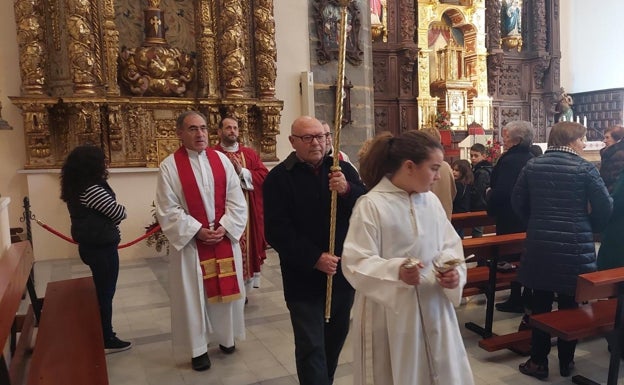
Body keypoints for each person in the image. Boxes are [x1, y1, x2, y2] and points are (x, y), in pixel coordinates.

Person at [342, 130, 474, 385]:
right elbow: (355, 261)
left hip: (435, 305)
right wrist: (395, 271)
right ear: (409, 166)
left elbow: (450, 245)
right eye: (434, 168)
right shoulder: (371, 205)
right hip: (391, 312)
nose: (438, 177)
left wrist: (452, 273)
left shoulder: (431, 203)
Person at [263, 116, 366, 385]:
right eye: (307, 137)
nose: (316, 142)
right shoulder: (279, 178)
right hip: (303, 278)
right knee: (311, 346)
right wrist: (314, 258)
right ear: (292, 141)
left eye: (321, 136)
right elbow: (276, 231)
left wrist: (346, 190)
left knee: (334, 341)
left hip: (341, 276)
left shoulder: (342, 169)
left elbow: (365, 208)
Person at [513, 121, 612, 379]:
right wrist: (591, 227)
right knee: (571, 304)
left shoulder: (532, 166)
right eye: (582, 139)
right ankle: (567, 362)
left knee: (541, 303)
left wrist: (534, 224)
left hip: (540, 244)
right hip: (576, 243)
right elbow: (605, 207)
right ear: (570, 141)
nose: (584, 144)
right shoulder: (584, 168)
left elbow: (517, 201)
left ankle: (538, 362)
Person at [155, 111, 248, 371]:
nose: (200, 134)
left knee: (227, 293)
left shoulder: (221, 160)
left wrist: (224, 227)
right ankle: (198, 349)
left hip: (222, 239)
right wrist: (197, 230)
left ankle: (226, 338)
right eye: (193, 129)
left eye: (204, 128)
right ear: (180, 133)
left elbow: (236, 200)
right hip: (193, 246)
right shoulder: (170, 166)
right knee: (193, 296)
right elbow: (168, 208)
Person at [60, 145, 132, 354]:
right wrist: (122, 210)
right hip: (101, 248)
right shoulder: (92, 189)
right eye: (102, 160)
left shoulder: (77, 186)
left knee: (102, 291)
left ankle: (101, 331)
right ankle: (106, 337)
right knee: (105, 293)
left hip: (91, 246)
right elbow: (118, 213)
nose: (105, 163)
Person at [213, 116, 268, 293]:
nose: (232, 131)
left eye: (235, 128)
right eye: (228, 128)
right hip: (221, 213)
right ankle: (226, 286)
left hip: (247, 213)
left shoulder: (249, 154)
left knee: (247, 248)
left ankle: (244, 288)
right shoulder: (212, 154)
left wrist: (242, 171)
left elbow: (263, 176)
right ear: (220, 131)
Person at [487, 120, 534, 314]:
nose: (503, 139)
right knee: (525, 256)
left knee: (512, 257)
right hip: (526, 215)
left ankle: (516, 298)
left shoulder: (510, 161)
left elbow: (504, 191)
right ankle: (527, 295)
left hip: (510, 216)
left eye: (506, 136)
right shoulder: (531, 157)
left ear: (517, 139)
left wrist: (489, 194)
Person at [421, 126, 457, 220]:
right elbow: (453, 192)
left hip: (426, 219)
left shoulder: (420, 166)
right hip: (444, 218)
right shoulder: (446, 166)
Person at [469, 143, 493, 237]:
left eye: (476, 155)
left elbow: (478, 191)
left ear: (483, 156)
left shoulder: (482, 172)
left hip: (479, 205)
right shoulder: (479, 169)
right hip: (480, 204)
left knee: (477, 230)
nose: (473, 158)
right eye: (471, 156)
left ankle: (477, 250)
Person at [451, 159, 473, 238]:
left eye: (457, 170)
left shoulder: (457, 185)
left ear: (463, 172)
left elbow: (454, 199)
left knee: (455, 235)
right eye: (453, 169)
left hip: (457, 213)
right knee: (460, 234)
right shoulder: (467, 183)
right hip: (463, 213)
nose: (453, 172)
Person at [599, 125, 624, 193]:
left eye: (607, 138)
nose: (604, 141)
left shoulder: (619, 155)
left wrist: (607, 194)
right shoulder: (609, 152)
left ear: (617, 139)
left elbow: (616, 181)